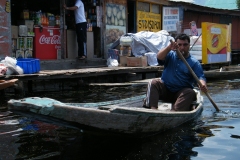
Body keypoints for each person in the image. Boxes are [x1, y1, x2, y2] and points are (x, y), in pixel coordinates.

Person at [143, 33, 208, 111]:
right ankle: (153, 110)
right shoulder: (170, 55)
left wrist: (202, 85)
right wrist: (169, 48)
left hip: (181, 93)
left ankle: (175, 112)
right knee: (153, 82)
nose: (182, 47)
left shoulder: (194, 62)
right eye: (179, 45)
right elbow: (159, 57)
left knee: (190, 92)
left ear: (189, 45)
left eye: (185, 45)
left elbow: (200, 77)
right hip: (166, 89)